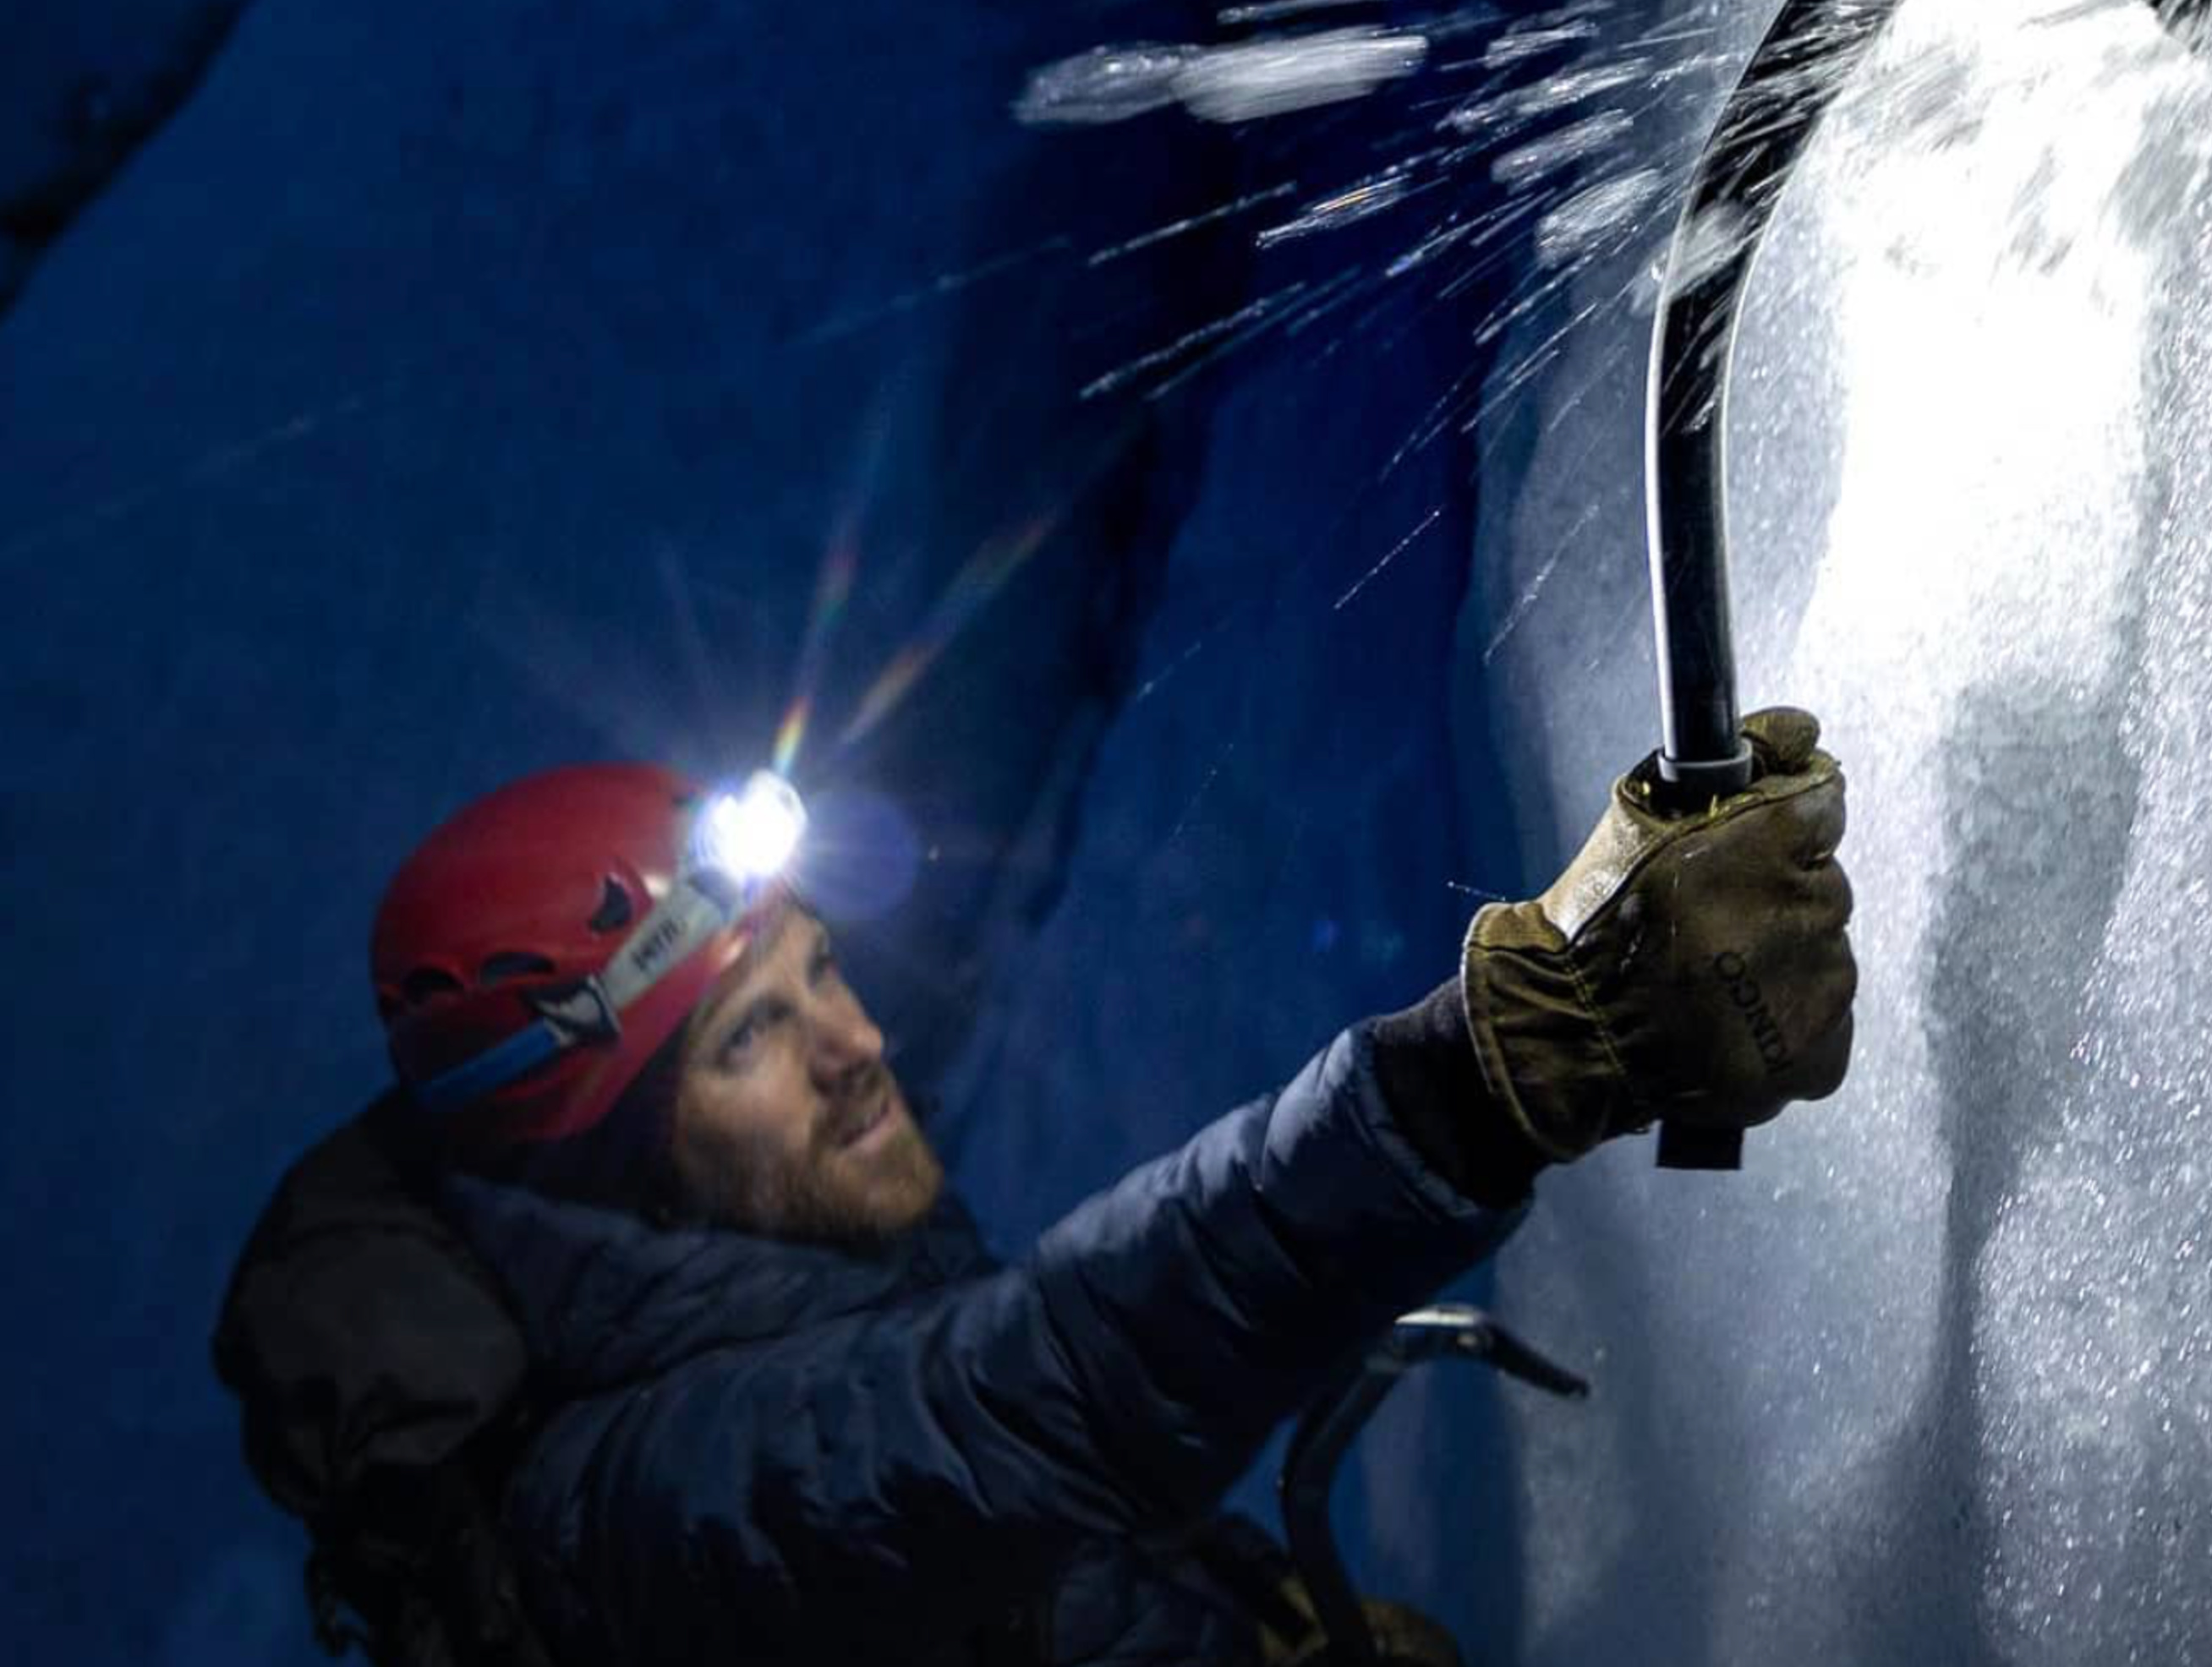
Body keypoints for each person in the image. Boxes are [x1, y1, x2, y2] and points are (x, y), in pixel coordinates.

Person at [216, 713, 1856, 1667]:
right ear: (608, 1159)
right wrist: (1497, 1066)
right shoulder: (616, 1517)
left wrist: (1240, 1623)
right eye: (750, 1036)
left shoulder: (768, 1267)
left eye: (826, 971)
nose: (858, 1044)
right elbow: (1018, 1403)